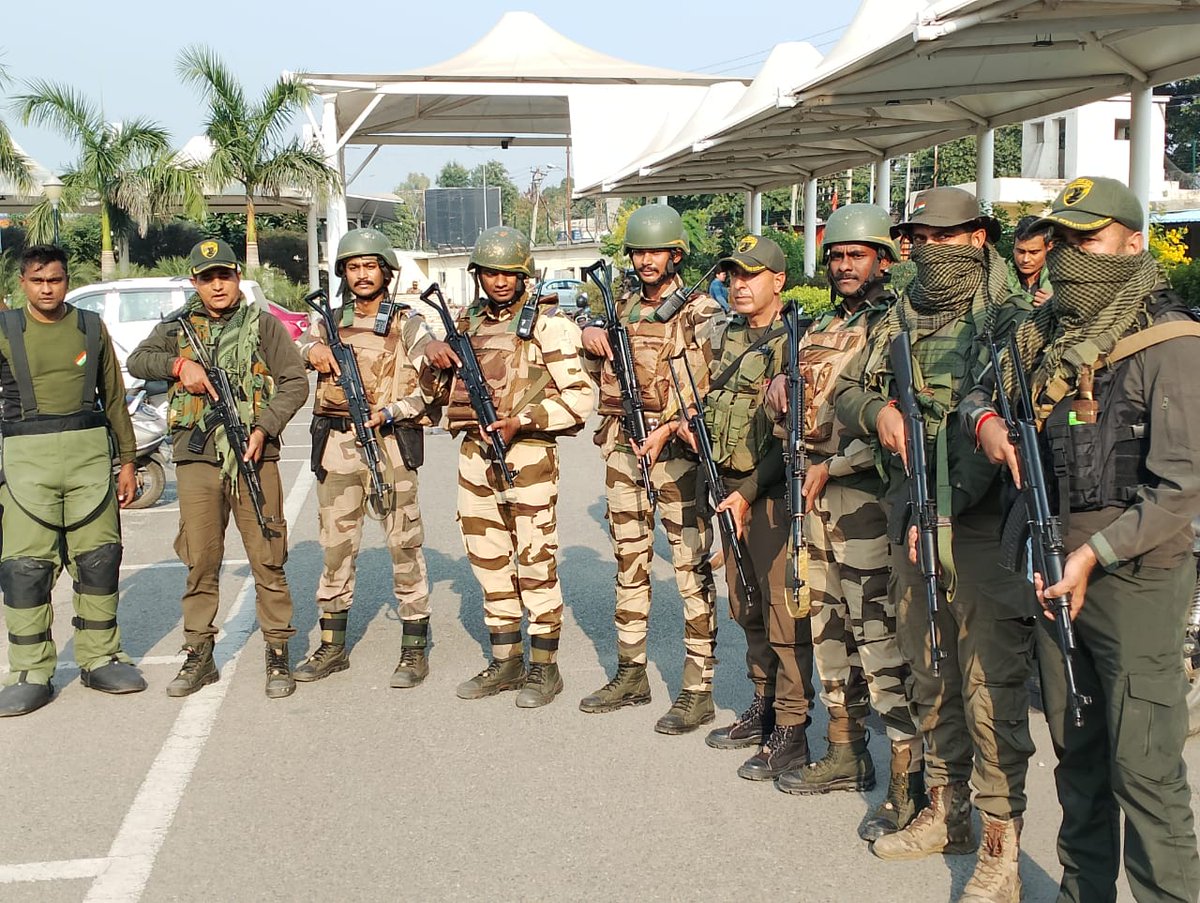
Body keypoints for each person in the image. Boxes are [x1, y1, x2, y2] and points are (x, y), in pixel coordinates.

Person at [967, 176, 1200, 903]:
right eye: (1063, 240)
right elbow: (979, 389)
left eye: (1089, 239)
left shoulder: (1173, 344)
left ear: (1134, 244)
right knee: (1080, 763)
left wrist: (1095, 554)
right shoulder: (1044, 337)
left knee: (1146, 770)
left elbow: (1182, 486)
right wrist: (987, 424)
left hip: (1133, 581)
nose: (1072, 257)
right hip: (1053, 570)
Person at [834, 187, 1037, 901]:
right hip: (910, 510)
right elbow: (844, 392)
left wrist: (947, 508)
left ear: (981, 236)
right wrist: (877, 408)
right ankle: (944, 809)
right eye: (917, 236)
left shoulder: (1013, 316)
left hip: (980, 528)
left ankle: (1000, 845)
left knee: (989, 684)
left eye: (943, 236)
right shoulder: (900, 309)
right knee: (928, 667)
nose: (927, 248)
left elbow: (1005, 424)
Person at [763, 205, 924, 841]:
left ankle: (907, 778)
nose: (844, 265)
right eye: (836, 255)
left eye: (857, 255)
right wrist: (779, 387)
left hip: (864, 501)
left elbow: (901, 420)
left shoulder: (898, 327)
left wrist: (839, 464)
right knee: (826, 625)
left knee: (878, 634)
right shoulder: (819, 325)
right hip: (813, 501)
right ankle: (845, 749)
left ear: (884, 260)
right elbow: (798, 408)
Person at [128, 239, 309, 699]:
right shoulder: (177, 328)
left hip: (252, 454)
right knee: (201, 559)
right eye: (206, 278)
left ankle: (277, 652)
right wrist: (178, 365)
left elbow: (293, 382)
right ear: (195, 283)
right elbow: (137, 361)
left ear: (235, 277)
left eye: (223, 276)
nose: (216, 285)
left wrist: (265, 427)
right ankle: (199, 654)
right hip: (197, 458)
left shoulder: (264, 327)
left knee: (268, 556)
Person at [423, 226, 593, 708]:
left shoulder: (548, 325)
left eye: (509, 273)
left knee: (536, 563)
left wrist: (524, 420)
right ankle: (506, 661)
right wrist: (432, 361)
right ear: (478, 275)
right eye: (490, 272)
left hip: (528, 456)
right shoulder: (464, 322)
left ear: (524, 276)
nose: (499, 282)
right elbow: (437, 399)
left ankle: (544, 668)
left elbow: (581, 398)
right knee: (490, 562)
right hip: (475, 457)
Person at [577, 203, 724, 734]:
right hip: (621, 447)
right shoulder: (620, 307)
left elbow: (712, 385)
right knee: (630, 561)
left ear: (675, 254)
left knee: (689, 566)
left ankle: (698, 686)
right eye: (638, 251)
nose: (645, 260)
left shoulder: (702, 311)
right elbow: (592, 362)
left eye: (654, 251)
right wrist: (591, 335)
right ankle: (631, 671)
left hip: (676, 453)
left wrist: (668, 425)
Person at [684, 235, 815, 780]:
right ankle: (763, 705)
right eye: (734, 275)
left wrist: (749, 491)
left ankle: (792, 728)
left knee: (786, 616)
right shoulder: (726, 335)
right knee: (747, 606)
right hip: (729, 487)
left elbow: (794, 440)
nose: (740, 284)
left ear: (778, 281)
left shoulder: (798, 341)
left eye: (753, 274)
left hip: (772, 494)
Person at [0, 245, 145, 716]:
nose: (48, 289)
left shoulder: (89, 326)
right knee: (25, 570)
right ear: (22, 282)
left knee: (99, 561)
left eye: (56, 280)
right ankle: (30, 671)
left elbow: (116, 399)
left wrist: (127, 461)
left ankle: (101, 658)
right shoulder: (5, 331)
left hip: (88, 458)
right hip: (25, 462)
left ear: (66, 281)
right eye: (38, 280)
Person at [295, 228, 439, 688]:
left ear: (386, 272)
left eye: (369, 266)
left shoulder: (407, 323)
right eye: (353, 267)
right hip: (337, 447)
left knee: (404, 545)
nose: (361, 275)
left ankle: (414, 647)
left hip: (390, 444)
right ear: (343, 273)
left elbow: (430, 388)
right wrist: (312, 349)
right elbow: (294, 346)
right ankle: (333, 646)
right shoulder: (327, 319)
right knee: (336, 548)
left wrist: (391, 412)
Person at [1008, 215, 1054, 306]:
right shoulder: (998, 277)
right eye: (1020, 251)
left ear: (1049, 247)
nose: (1026, 259)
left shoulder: (1063, 279)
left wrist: (1057, 305)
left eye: (1034, 252)